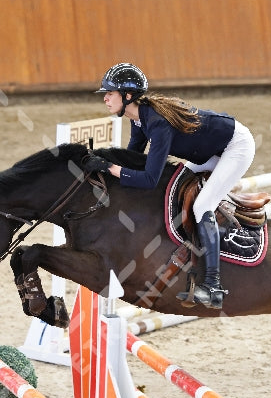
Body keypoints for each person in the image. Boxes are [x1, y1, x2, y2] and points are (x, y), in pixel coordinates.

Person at [86, 62, 255, 310]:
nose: (106, 99)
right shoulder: (139, 119)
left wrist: (110, 168)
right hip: (208, 152)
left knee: (202, 206)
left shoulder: (157, 123)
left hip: (235, 147)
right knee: (175, 185)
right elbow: (132, 158)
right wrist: (105, 164)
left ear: (128, 96)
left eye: (110, 93)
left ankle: (213, 285)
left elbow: (148, 178)